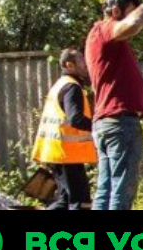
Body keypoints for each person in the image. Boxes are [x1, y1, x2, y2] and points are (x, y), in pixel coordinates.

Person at [85, 0, 143, 210]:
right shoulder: (106, 30)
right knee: (122, 189)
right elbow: (131, 25)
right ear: (116, 11)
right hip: (119, 122)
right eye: (131, 10)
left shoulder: (102, 37)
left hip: (108, 121)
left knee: (106, 188)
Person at [31, 48, 95, 210]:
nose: (86, 64)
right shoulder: (71, 87)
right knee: (80, 202)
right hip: (66, 154)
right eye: (81, 60)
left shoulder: (60, 85)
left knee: (65, 200)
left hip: (59, 152)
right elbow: (76, 119)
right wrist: (99, 124)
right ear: (69, 65)